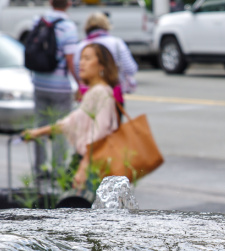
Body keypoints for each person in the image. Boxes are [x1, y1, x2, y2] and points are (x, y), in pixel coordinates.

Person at [23, 44, 120, 193]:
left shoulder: (101, 92)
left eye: (87, 58)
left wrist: (83, 167)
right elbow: (69, 123)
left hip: (94, 166)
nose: (81, 63)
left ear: (102, 65)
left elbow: (98, 134)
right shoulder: (94, 92)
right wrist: (38, 132)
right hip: (87, 162)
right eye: (81, 58)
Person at [29, 0, 80, 177]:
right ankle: (58, 170)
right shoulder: (68, 27)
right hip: (60, 87)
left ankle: (39, 169)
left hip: (39, 83)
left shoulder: (38, 21)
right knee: (60, 128)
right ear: (69, 3)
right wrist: (80, 84)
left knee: (40, 126)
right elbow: (70, 60)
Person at [73, 12, 138, 107]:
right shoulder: (117, 43)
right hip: (113, 93)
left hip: (87, 93)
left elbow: (77, 71)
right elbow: (131, 68)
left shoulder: (81, 46)